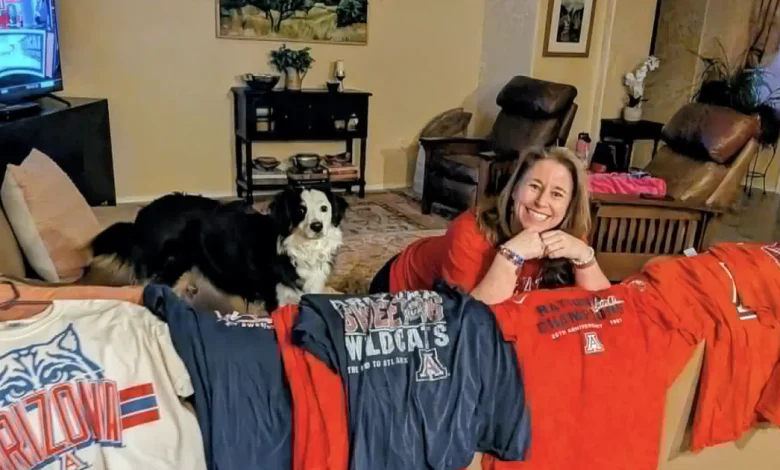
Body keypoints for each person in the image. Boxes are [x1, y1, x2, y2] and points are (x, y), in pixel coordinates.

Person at [369, 146, 610, 305]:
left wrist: (584, 256)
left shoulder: (569, 235)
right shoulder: (471, 230)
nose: (541, 201)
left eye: (557, 194)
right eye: (534, 186)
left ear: (569, 205)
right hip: (404, 288)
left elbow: (608, 310)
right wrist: (509, 256)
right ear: (514, 189)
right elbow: (468, 323)